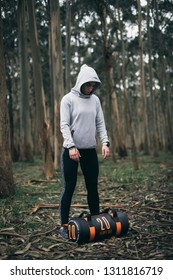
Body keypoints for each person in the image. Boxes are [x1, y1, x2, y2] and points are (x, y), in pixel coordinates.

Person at [59, 64, 110, 240]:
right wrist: (71, 146)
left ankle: (96, 222)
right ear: (81, 83)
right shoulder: (68, 99)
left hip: (89, 150)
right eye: (88, 85)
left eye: (93, 86)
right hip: (71, 150)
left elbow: (100, 123)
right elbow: (64, 125)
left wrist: (105, 142)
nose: (90, 88)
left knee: (92, 187)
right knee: (69, 187)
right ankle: (64, 226)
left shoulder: (95, 100)